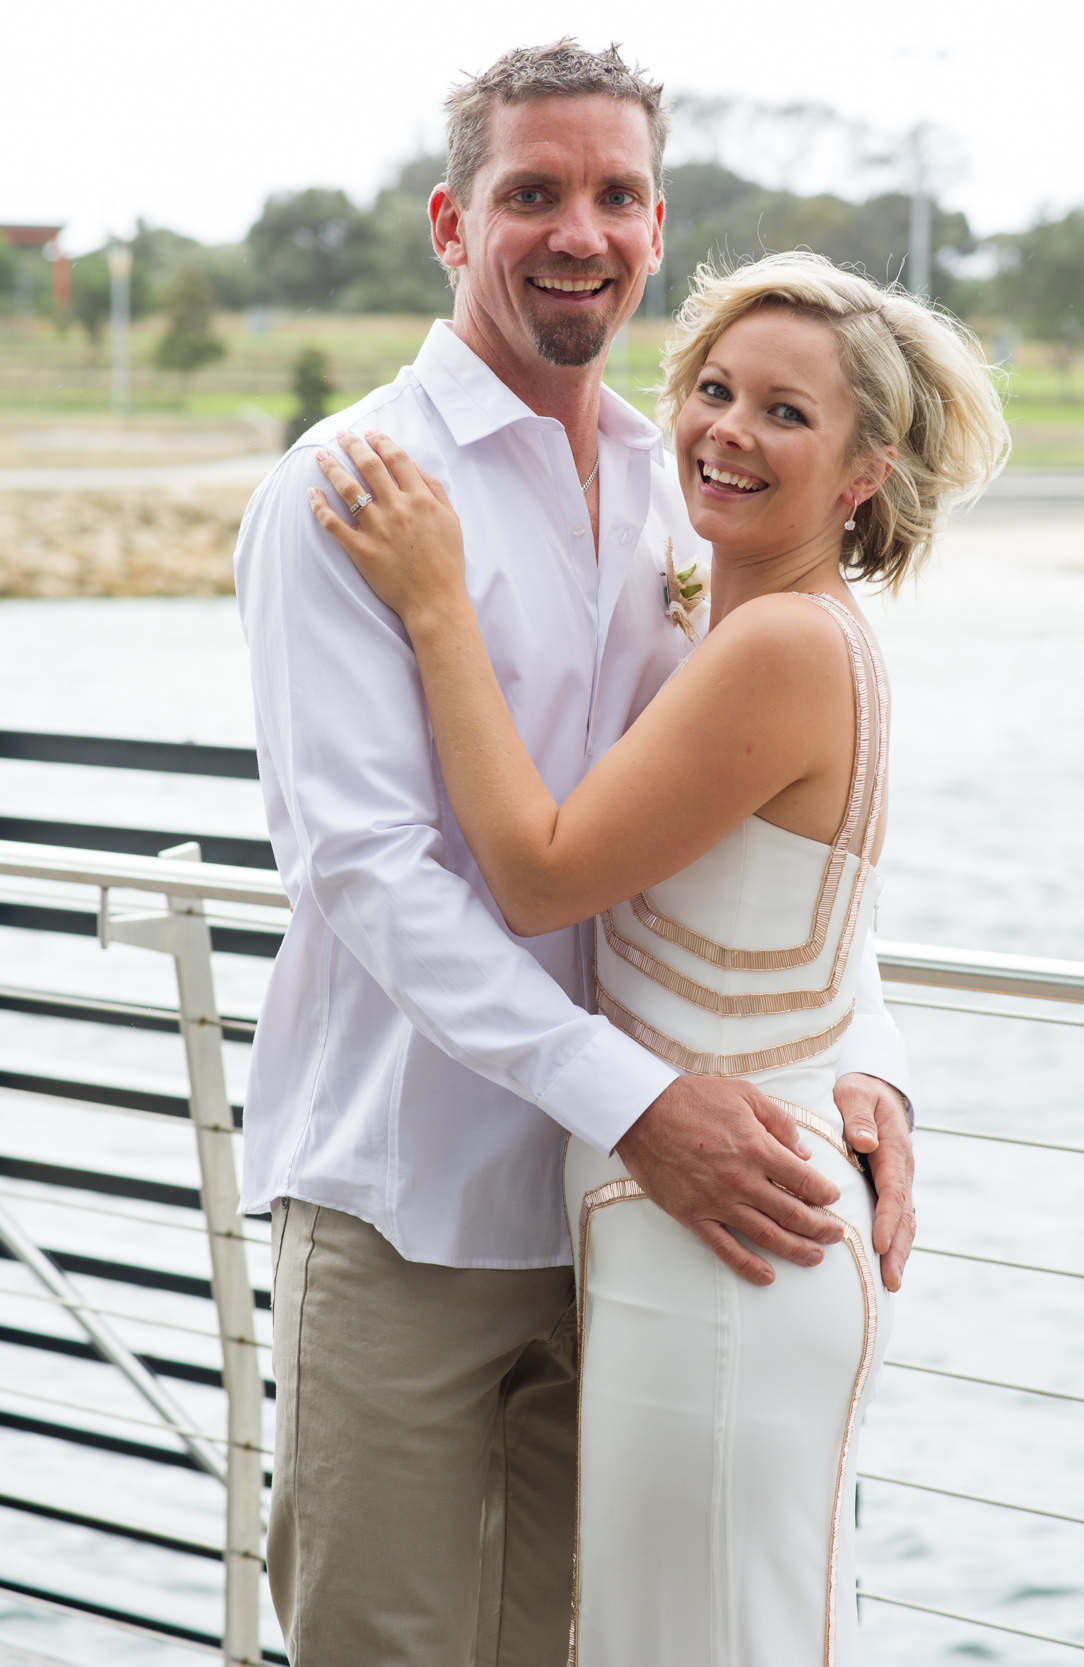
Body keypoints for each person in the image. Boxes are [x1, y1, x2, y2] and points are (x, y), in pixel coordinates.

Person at [234, 40, 922, 1667]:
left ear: (658, 225)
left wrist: (869, 1056)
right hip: (411, 1202)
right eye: (532, 191)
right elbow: (373, 874)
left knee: (576, 1642)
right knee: (384, 1646)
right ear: (451, 225)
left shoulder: (686, 481)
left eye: (615, 195)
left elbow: (751, 833)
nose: (578, 230)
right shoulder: (345, 491)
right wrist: (637, 1099)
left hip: (631, 1221)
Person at [309, 251, 1007, 1663]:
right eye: (714, 390)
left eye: (786, 415)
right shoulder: (734, 617)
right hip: (693, 1217)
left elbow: (538, 872)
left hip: (727, 1229)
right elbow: (805, 914)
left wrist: (438, 605)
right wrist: (864, 1059)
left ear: (866, 471)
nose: (729, 431)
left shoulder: (782, 650)